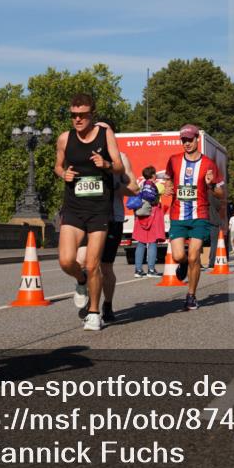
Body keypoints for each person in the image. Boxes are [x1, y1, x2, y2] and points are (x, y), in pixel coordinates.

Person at [55, 93, 124, 331]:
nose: (77, 120)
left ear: (91, 114)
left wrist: (105, 164)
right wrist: (63, 174)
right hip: (73, 207)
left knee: (94, 264)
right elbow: (57, 165)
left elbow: (119, 166)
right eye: (73, 115)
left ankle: (94, 311)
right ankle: (81, 280)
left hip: (99, 209)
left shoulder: (105, 135)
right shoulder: (65, 138)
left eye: (82, 115)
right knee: (66, 261)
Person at [164, 124, 225, 310]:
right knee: (178, 255)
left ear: (197, 139)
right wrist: (168, 187)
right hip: (178, 215)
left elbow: (220, 193)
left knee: (193, 257)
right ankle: (182, 266)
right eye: (184, 140)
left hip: (200, 214)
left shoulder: (208, 164)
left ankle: (191, 295)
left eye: (190, 140)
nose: (187, 143)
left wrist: (210, 185)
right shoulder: (174, 160)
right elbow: (168, 178)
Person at [97, 120, 137, 325]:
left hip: (112, 218)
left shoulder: (121, 159)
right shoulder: (83, 156)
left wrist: (116, 188)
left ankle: (107, 304)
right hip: (86, 218)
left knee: (105, 267)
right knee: (82, 262)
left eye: (106, 131)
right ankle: (83, 287)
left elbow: (135, 189)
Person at [133, 166, 164, 278]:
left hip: (141, 217)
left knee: (140, 243)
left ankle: (138, 269)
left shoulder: (141, 186)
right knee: (152, 242)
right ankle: (151, 269)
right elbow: (166, 188)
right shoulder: (158, 186)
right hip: (153, 216)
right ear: (153, 175)